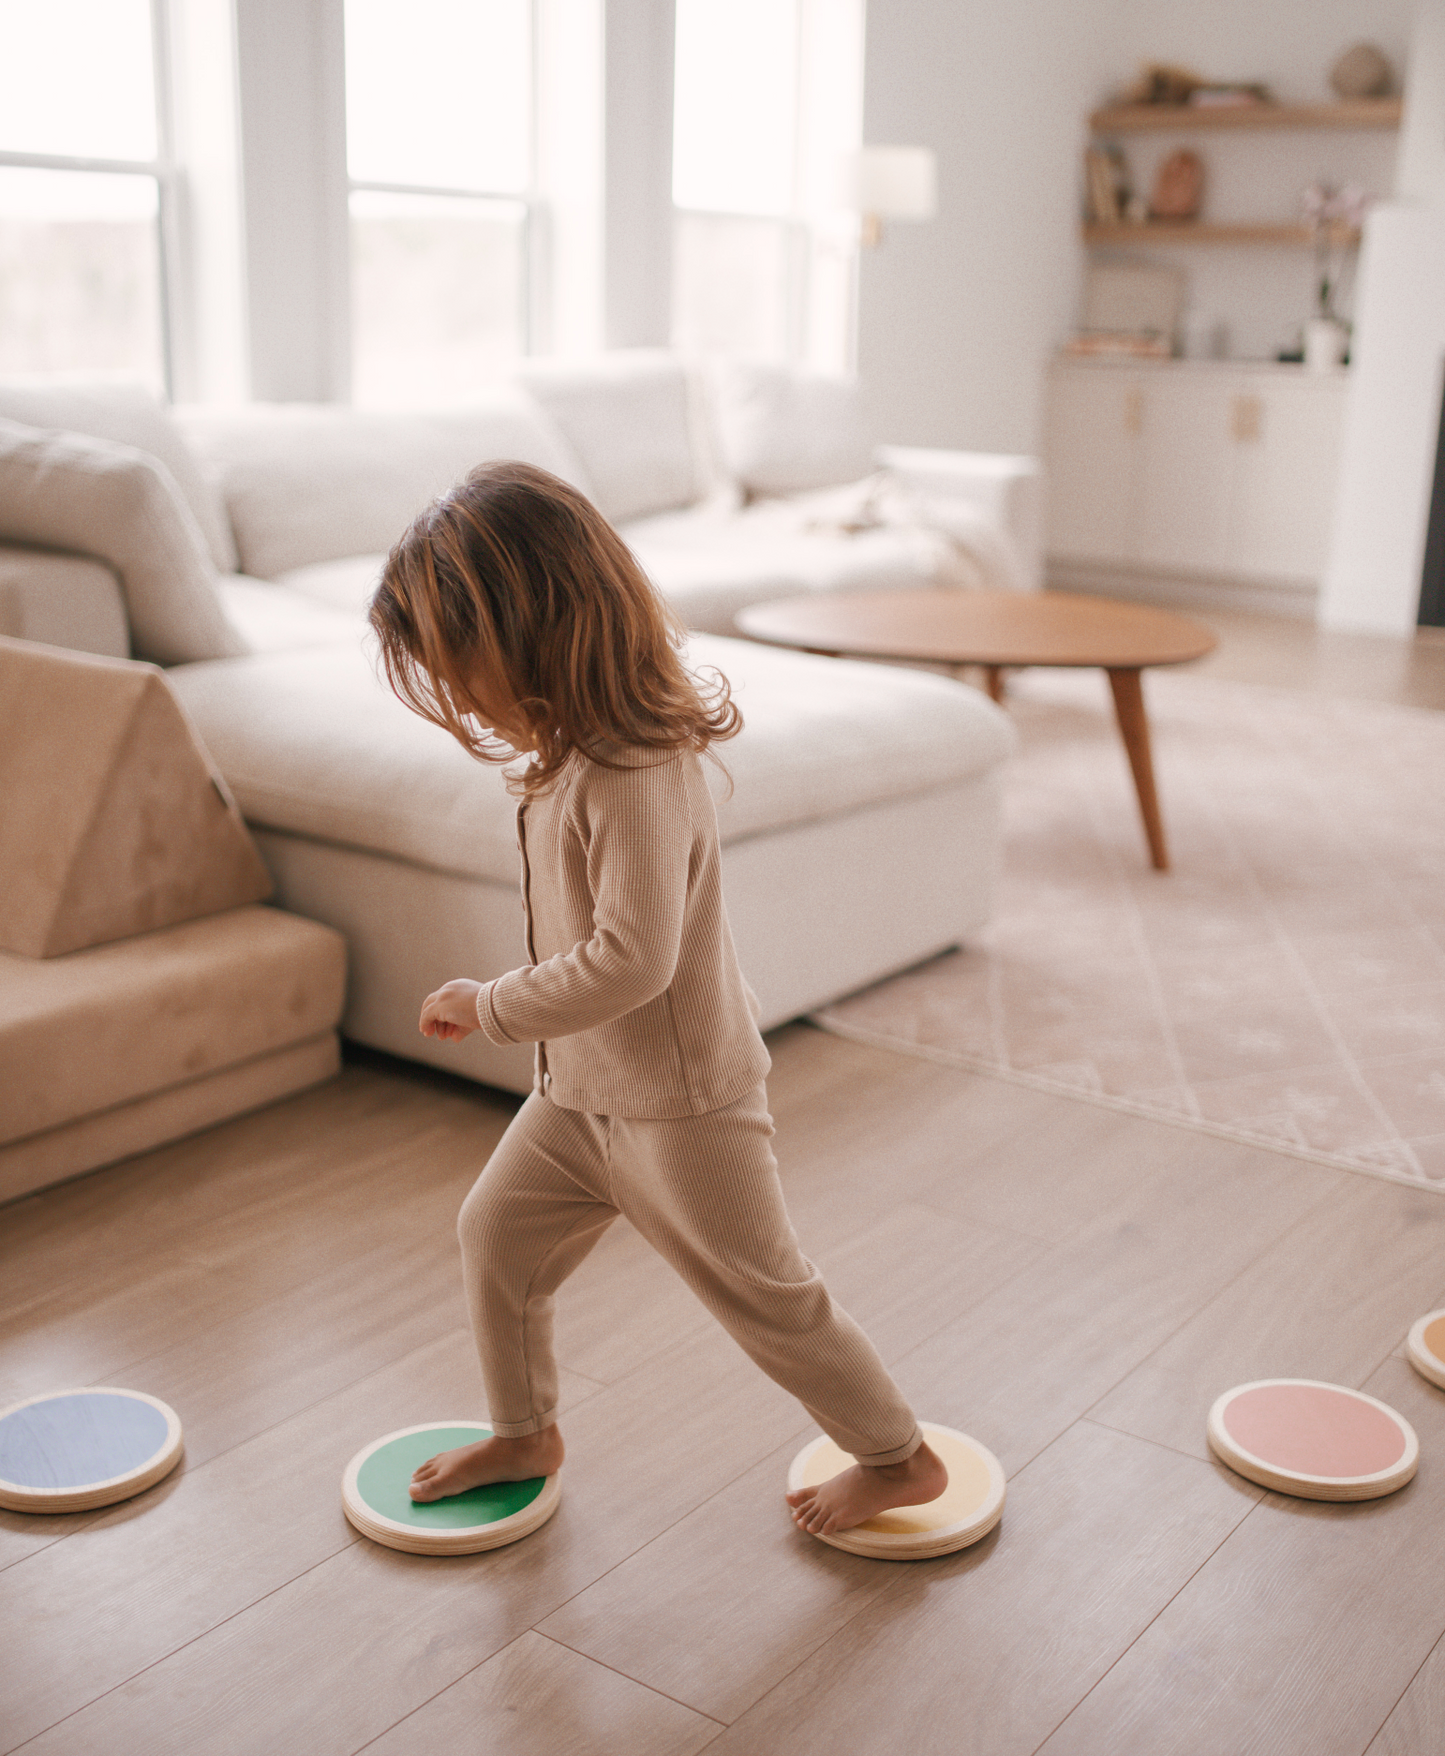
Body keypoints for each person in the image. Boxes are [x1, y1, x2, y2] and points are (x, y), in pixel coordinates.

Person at [367, 461, 946, 1538]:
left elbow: (632, 958)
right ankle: (524, 1428)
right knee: (494, 1233)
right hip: (583, 1095)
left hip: (681, 1108)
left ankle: (895, 1455)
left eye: (463, 671)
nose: (461, 700)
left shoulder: (634, 763)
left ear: (539, 627)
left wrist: (489, 1004)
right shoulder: (560, 757)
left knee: (768, 1298)